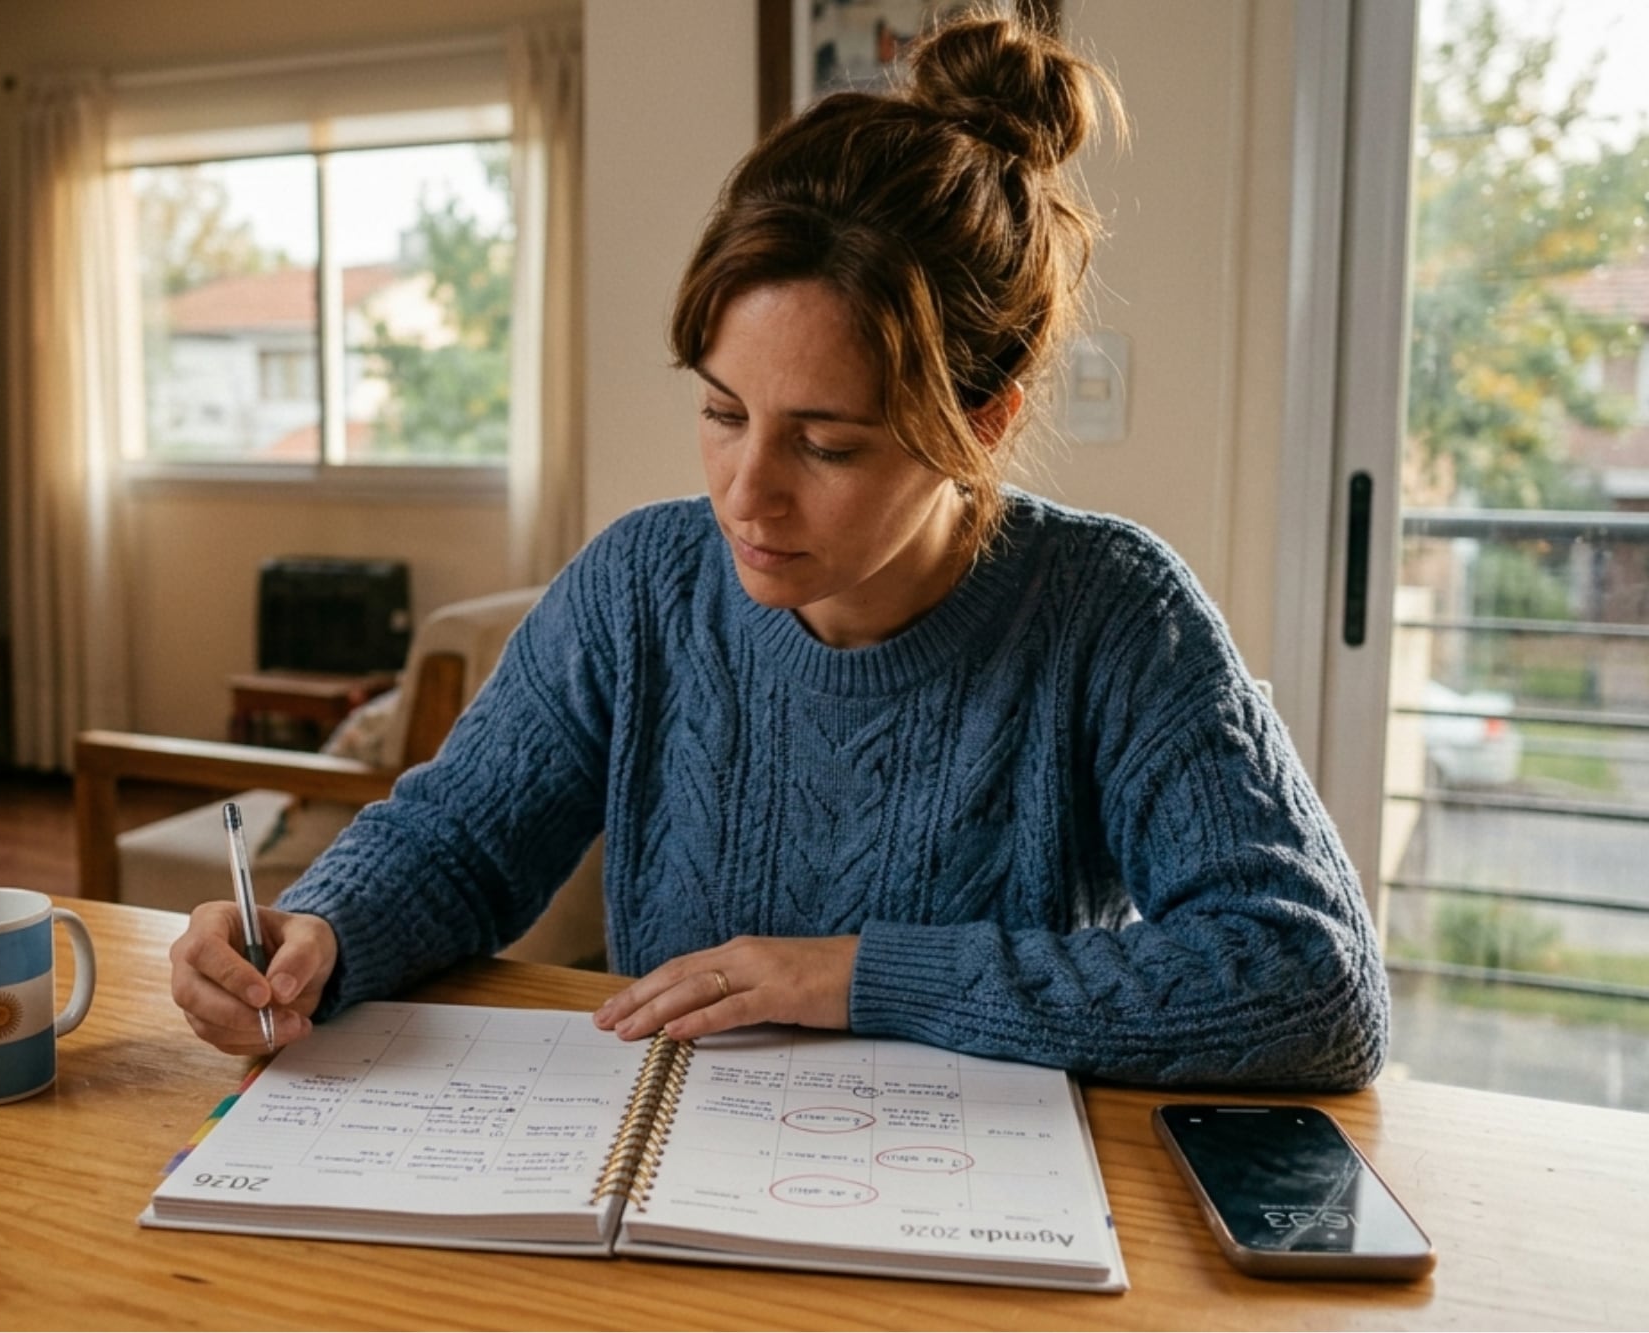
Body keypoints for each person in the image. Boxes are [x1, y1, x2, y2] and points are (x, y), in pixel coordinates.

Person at [169, 9, 1389, 1090]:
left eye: (828, 444)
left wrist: (858, 977)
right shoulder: (641, 584)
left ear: (985, 416)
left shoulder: (1114, 615)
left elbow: (1310, 979)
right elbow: (459, 840)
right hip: (666, 1201)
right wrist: (320, 926)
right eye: (719, 412)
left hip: (973, 1223)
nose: (745, 494)